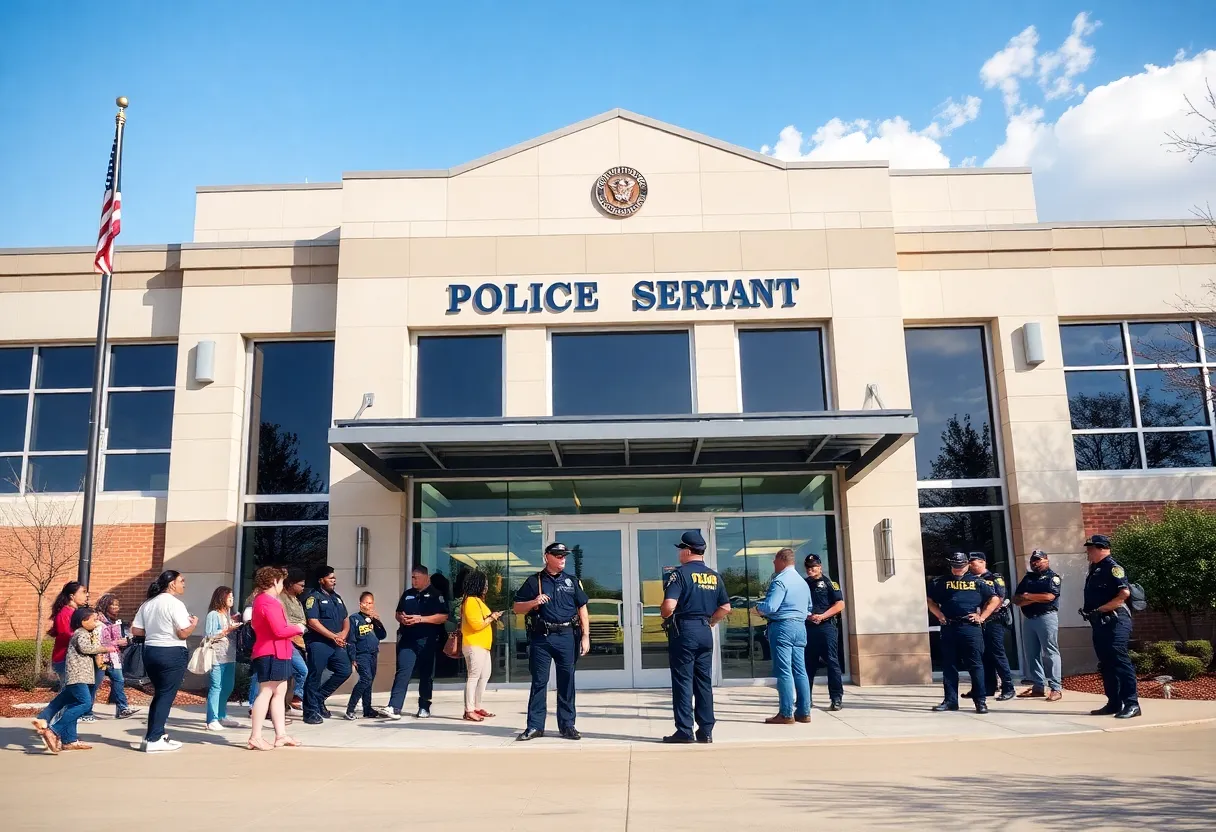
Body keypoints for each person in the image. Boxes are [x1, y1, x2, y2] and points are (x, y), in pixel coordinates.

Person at [513, 542, 590, 741]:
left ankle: (567, 725)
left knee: (567, 681)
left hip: (567, 635)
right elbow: (517, 607)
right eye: (557, 555)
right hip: (542, 637)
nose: (562, 559)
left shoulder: (572, 581)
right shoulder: (534, 581)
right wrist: (533, 602)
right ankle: (535, 726)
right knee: (539, 681)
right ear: (547, 557)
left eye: (564, 555)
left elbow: (582, 608)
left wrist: (585, 636)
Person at [660, 530, 730, 744]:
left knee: (683, 681)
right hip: (704, 631)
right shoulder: (714, 576)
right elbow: (726, 608)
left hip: (685, 631)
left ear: (688, 551)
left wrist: (664, 614)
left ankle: (684, 730)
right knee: (703, 682)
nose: (679, 553)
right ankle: (706, 730)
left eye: (680, 549)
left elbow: (669, 606)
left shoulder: (679, 574)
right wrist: (711, 621)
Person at [131, 570, 198, 752]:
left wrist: (156, 631)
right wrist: (193, 624)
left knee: (160, 694)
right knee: (166, 695)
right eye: (181, 581)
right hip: (172, 652)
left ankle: (155, 735)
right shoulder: (175, 604)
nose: (184, 584)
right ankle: (154, 739)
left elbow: (136, 630)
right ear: (171, 584)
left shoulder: (148, 603)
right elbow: (183, 633)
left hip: (151, 651)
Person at [927, 552, 999, 714]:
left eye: (960, 566)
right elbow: (930, 600)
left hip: (970, 627)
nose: (957, 569)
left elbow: (994, 599)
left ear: (967, 565)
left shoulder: (978, 582)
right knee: (949, 665)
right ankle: (950, 701)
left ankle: (980, 701)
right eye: (954, 566)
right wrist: (939, 615)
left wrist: (982, 617)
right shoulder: (941, 582)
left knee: (975, 665)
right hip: (949, 626)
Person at [31, 606, 109, 753]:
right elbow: (87, 648)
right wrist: (106, 648)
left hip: (79, 676)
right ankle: (53, 730)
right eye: (94, 620)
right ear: (83, 621)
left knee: (66, 702)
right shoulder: (81, 633)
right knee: (85, 703)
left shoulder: (83, 633)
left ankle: (67, 739)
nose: (96, 623)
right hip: (78, 676)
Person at [1081, 534, 1140, 719]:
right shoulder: (1095, 569)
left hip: (1116, 620)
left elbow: (1124, 594)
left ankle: (1132, 704)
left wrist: (1101, 609)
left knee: (1119, 659)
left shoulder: (1113, 568)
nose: (1088, 552)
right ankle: (1114, 703)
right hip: (1100, 622)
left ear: (1101, 548)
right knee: (1106, 662)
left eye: (1091, 548)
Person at [248, 566, 306, 750]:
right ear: (274, 581)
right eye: (281, 581)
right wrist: (298, 628)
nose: (282, 585)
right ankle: (255, 736)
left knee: (279, 692)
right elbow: (279, 630)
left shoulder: (264, 600)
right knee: (266, 692)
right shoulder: (268, 602)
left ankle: (280, 735)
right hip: (271, 652)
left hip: (277, 651)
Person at [755, 548, 813, 725]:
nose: (773, 563)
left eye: (775, 559)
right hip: (800, 627)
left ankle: (786, 713)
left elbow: (771, 606)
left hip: (782, 627)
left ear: (781, 560)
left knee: (784, 671)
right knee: (800, 670)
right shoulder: (803, 582)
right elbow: (809, 608)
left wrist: (757, 608)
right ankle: (804, 712)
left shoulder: (780, 581)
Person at [384, 563, 449, 720]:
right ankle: (394, 706)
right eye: (412, 577)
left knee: (426, 674)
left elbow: (443, 616)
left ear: (426, 578)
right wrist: (402, 619)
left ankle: (424, 706)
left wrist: (420, 619)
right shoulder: (407, 594)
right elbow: (398, 613)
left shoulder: (436, 595)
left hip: (427, 641)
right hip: (408, 639)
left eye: (417, 578)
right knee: (403, 671)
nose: (414, 581)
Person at [963, 553, 1016, 702]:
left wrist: (982, 615)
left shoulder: (994, 578)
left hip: (993, 621)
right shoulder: (970, 579)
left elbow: (998, 599)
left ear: (982, 562)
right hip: (978, 623)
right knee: (983, 655)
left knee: (997, 654)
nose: (970, 565)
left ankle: (1008, 687)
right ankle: (987, 687)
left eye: (972, 562)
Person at [302, 564, 352, 725]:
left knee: (344, 670)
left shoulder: (337, 598)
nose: (334, 581)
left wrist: (343, 634)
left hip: (336, 643)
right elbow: (312, 622)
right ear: (321, 580)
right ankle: (310, 711)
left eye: (334, 578)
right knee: (315, 676)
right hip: (319, 643)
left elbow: (345, 618)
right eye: (330, 578)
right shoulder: (313, 597)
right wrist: (333, 636)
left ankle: (319, 698)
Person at [1013, 550, 1063, 701]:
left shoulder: (1052, 577)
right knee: (1032, 654)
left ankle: (1056, 688)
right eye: (1033, 560)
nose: (1035, 563)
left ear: (1046, 560)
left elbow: (1049, 596)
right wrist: (1034, 599)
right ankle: (1038, 686)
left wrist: (1028, 597)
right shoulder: (1028, 578)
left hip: (1046, 617)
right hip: (1029, 619)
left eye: (1038, 560)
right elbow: (1016, 599)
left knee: (1050, 652)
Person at [803, 553, 845, 711]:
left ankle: (836, 698)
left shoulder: (829, 583)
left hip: (826, 627)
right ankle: (806, 699)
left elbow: (840, 605)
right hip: (808, 627)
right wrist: (808, 616)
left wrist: (822, 616)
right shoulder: (803, 584)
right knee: (808, 665)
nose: (810, 570)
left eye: (813, 567)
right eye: (808, 567)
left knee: (832, 663)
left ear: (820, 567)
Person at [460, 570, 503, 722]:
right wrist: (492, 617)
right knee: (474, 677)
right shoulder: (471, 601)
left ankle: (477, 706)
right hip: (474, 644)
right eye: (484, 583)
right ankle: (469, 710)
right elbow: (476, 624)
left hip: (483, 645)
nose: (486, 587)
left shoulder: (478, 601)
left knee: (484, 676)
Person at [94, 593, 140, 720]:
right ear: (105, 605)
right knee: (95, 684)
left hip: (114, 657)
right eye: (112, 605)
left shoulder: (114, 621)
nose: (116, 607)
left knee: (119, 680)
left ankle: (122, 708)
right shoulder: (99, 622)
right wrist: (117, 642)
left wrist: (123, 641)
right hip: (102, 657)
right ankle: (85, 712)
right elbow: (99, 641)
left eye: (117, 605)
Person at [49, 582, 90, 720]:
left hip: (72, 660)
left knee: (69, 696)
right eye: (83, 592)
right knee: (69, 696)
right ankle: (55, 725)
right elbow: (68, 635)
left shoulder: (74, 613)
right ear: (72, 596)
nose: (87, 595)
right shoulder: (64, 613)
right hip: (64, 659)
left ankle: (53, 724)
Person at [204, 586, 242, 730]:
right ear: (221, 597)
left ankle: (221, 715)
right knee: (216, 686)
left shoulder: (228, 614)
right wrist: (228, 630)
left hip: (229, 654)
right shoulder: (213, 614)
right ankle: (212, 719)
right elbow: (210, 634)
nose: (232, 599)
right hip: (217, 655)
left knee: (228, 686)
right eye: (229, 597)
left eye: (232, 596)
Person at [345, 591, 387, 720]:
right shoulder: (354, 619)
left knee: (369, 681)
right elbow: (351, 640)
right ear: (360, 604)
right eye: (366, 603)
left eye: (371, 603)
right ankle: (350, 708)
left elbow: (382, 635)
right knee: (365, 679)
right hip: (361, 654)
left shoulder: (373, 620)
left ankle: (367, 709)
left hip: (373, 653)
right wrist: (352, 657)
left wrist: (377, 621)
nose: (368, 606)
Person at [281, 568, 310, 712]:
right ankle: (297, 697)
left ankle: (285, 704)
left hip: (299, 641)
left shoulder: (297, 601)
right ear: (291, 584)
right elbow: (284, 621)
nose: (303, 588)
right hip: (289, 640)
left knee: (290, 676)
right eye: (301, 585)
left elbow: (303, 620)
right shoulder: (282, 599)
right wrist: (297, 627)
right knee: (302, 671)